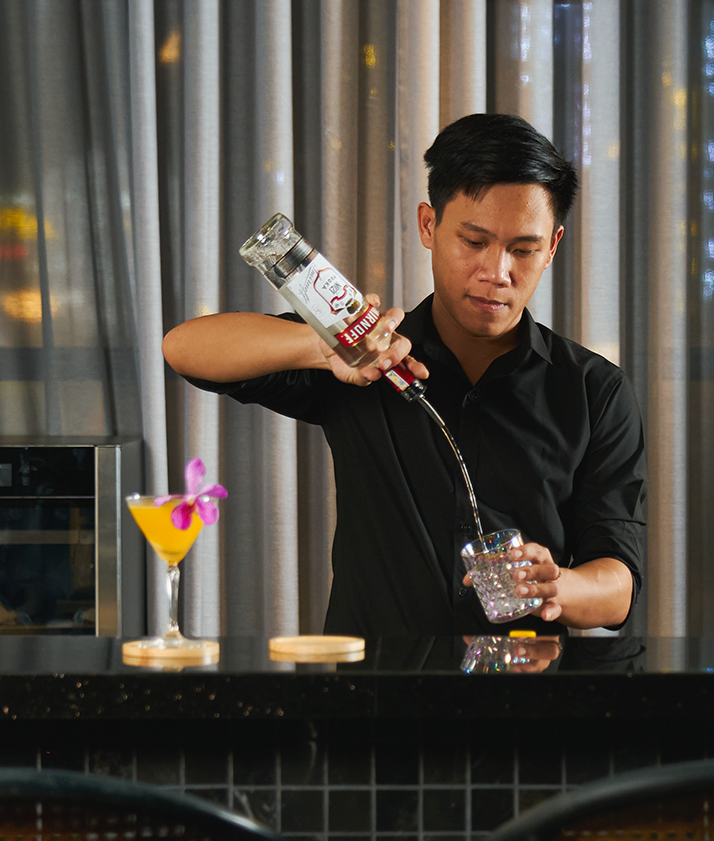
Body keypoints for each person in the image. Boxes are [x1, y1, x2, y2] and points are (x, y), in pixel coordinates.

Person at [163, 113, 646, 634]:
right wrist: (322, 346)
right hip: (374, 678)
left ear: (551, 247)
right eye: (474, 241)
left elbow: (618, 584)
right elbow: (184, 348)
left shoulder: (595, 391)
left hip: (521, 676)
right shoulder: (369, 358)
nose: (497, 273)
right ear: (428, 226)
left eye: (523, 250)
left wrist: (556, 586)